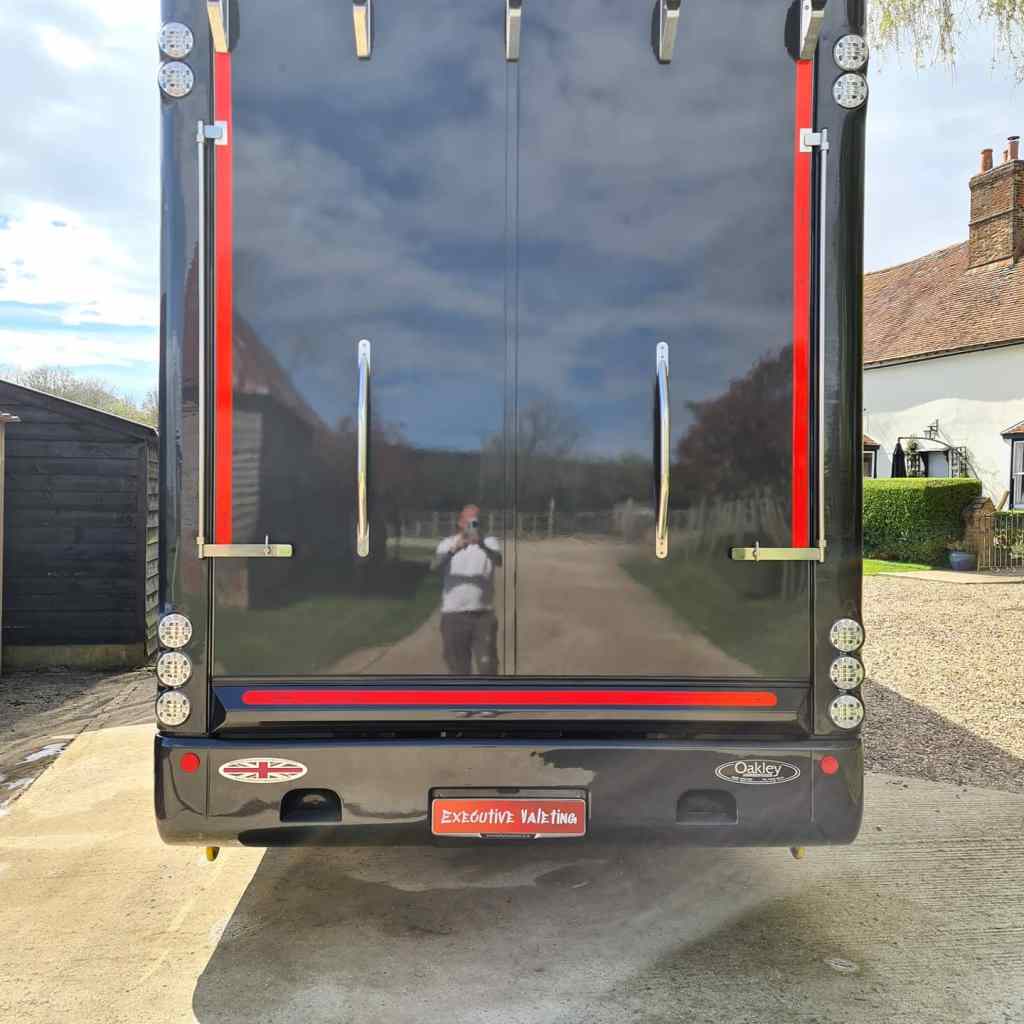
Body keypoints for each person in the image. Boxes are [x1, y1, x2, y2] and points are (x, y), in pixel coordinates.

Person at [430, 505, 502, 675]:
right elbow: (434, 566)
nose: (472, 525)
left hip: (483, 616)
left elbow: (498, 560)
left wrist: (481, 544)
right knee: (458, 670)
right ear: (460, 523)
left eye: (475, 520)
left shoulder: (490, 542)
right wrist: (455, 548)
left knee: (488, 668)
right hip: (453, 616)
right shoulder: (447, 543)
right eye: (468, 521)